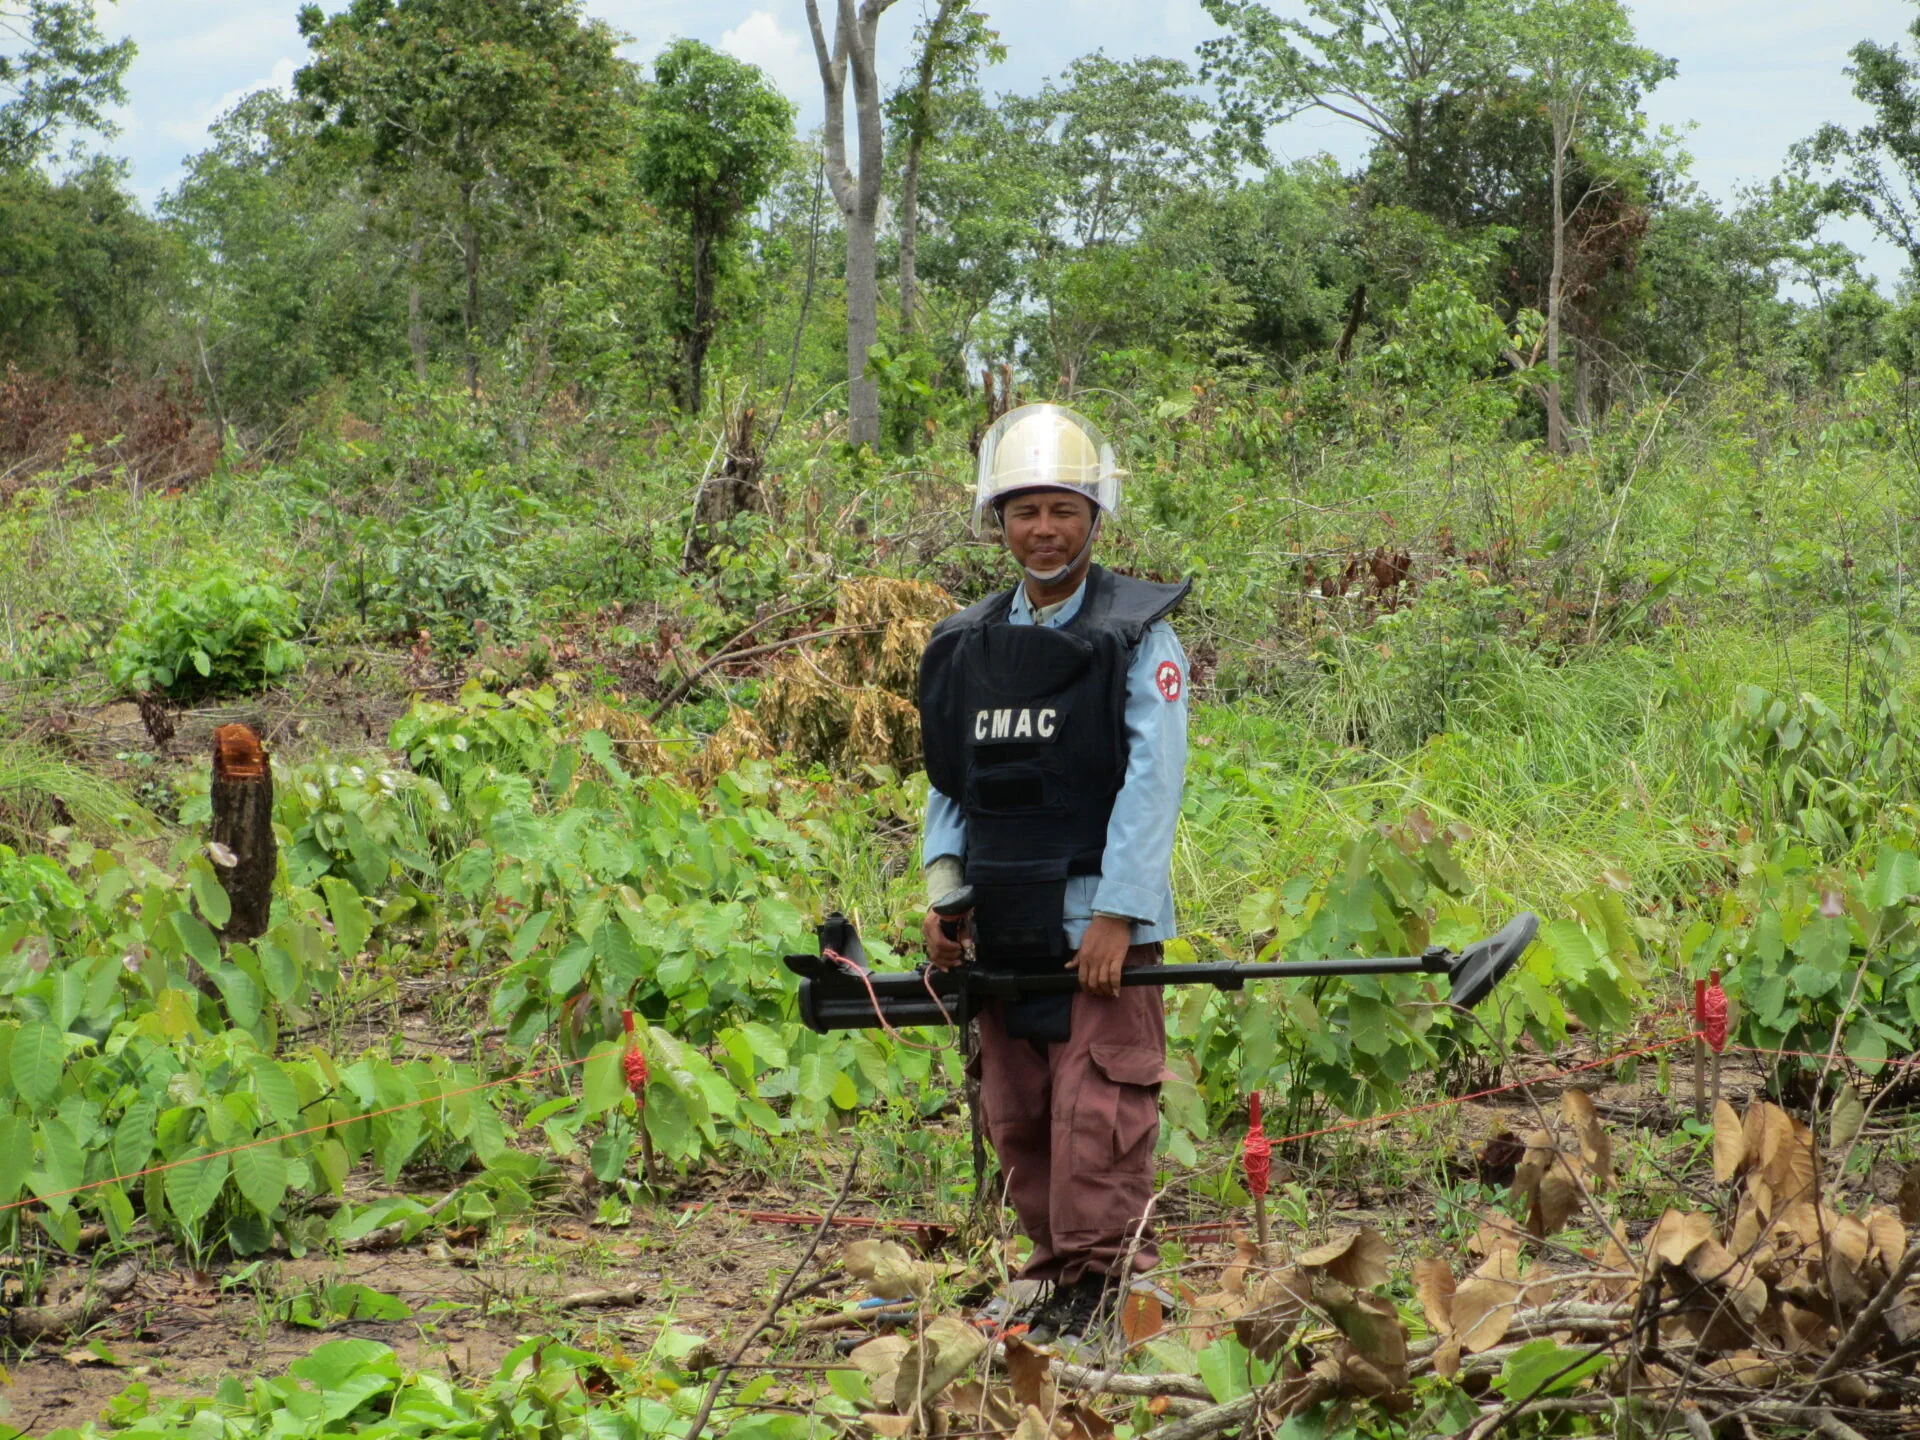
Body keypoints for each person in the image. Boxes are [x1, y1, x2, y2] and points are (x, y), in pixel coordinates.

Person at [916, 403, 1189, 1346]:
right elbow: (952, 780)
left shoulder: (1137, 634)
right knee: (1022, 1113)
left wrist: (1120, 912)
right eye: (1024, 511)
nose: (1043, 530)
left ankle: (1112, 1289)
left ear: (1094, 517)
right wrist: (946, 894)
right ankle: (1051, 1278)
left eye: (1062, 511)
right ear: (998, 521)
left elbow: (1154, 785)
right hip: (1004, 922)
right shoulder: (966, 643)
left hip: (1096, 930)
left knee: (1097, 1111)